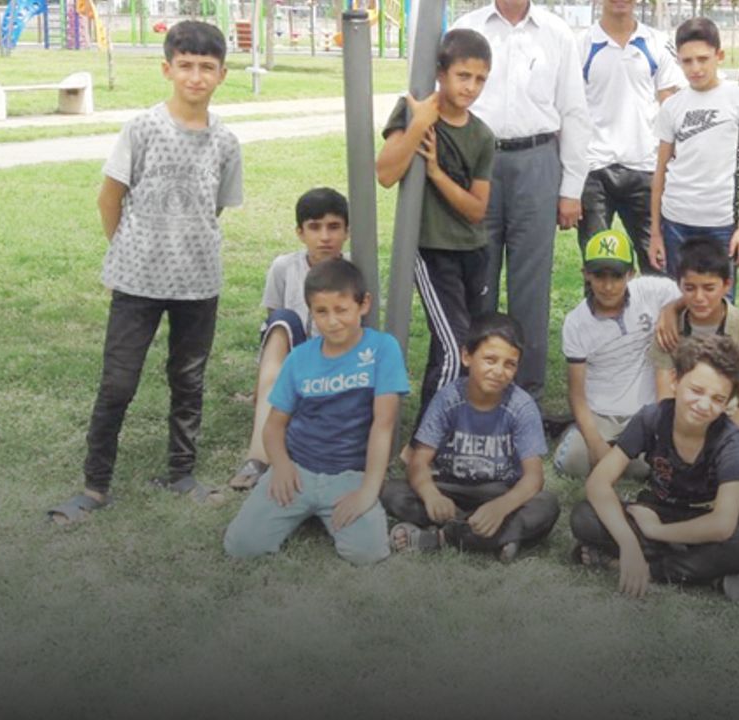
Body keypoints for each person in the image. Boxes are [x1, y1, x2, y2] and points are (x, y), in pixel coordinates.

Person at [49, 21, 243, 524]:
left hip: (198, 283)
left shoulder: (226, 142)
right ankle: (95, 486)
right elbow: (109, 198)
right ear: (167, 69)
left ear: (222, 74)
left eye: (207, 67)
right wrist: (131, 248)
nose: (196, 76)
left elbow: (214, 207)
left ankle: (181, 473)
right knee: (118, 384)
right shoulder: (142, 129)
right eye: (186, 65)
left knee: (189, 379)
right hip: (137, 282)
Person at [223, 259, 408, 562]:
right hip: (299, 469)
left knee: (368, 553)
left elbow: (383, 425)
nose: (332, 321)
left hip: (349, 474)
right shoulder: (299, 358)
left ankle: (321, 511)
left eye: (341, 310)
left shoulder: (383, 349)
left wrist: (368, 491)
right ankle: (302, 508)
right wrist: (281, 466)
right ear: (310, 311)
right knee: (242, 546)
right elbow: (274, 426)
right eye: (321, 311)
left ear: (363, 304)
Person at [452, 0, 590, 402]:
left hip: (536, 159)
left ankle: (526, 394)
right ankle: (474, 392)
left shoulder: (556, 32)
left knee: (531, 286)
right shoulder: (467, 27)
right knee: (477, 279)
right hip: (477, 160)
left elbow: (574, 111)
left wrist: (571, 188)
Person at [570, 334, 739, 601]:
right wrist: (629, 544)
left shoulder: (731, 442)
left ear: (726, 404)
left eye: (717, 399)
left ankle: (645, 568)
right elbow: (598, 482)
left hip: (705, 521)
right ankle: (704, 570)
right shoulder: (652, 418)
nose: (703, 405)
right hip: (659, 510)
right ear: (675, 381)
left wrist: (657, 532)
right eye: (696, 391)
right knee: (584, 517)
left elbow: (722, 524)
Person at [376, 28, 496, 430]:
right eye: (463, 76)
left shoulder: (482, 135)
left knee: (469, 345)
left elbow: (476, 210)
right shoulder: (413, 109)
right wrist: (418, 126)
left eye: (480, 79)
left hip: (473, 251)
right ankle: (425, 442)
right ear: (441, 73)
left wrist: (437, 174)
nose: (471, 87)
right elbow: (385, 174)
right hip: (431, 250)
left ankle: (455, 429)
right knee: (454, 346)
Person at [381, 313, 559, 562]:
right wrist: (431, 495)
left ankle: (441, 537)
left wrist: (501, 507)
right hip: (450, 488)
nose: (498, 371)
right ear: (466, 356)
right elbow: (419, 461)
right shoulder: (448, 399)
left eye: (509, 364)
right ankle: (497, 537)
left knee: (546, 505)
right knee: (392, 492)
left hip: (498, 491)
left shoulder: (521, 406)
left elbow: (534, 477)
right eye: (490, 360)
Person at [228, 187, 349, 491]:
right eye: (314, 227)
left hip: (338, 365)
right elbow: (274, 328)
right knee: (282, 320)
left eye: (334, 227)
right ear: (300, 232)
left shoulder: (355, 270)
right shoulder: (284, 267)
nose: (325, 237)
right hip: (294, 362)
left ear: (347, 232)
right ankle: (258, 456)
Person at [650, 238, 739, 503]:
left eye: (709, 288)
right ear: (679, 286)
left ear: (727, 285)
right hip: (682, 424)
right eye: (690, 288)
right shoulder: (669, 328)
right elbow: (665, 399)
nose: (699, 298)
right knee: (674, 487)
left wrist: (711, 443)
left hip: (732, 425)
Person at [554, 229, 681, 480]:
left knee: (653, 466)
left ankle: (620, 456)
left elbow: (691, 294)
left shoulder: (649, 291)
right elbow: (577, 394)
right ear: (585, 274)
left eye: (617, 276)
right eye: (599, 276)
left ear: (631, 274)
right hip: (600, 413)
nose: (608, 286)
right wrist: (595, 444)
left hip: (643, 412)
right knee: (573, 463)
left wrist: (669, 310)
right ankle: (583, 436)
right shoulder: (576, 322)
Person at [648, 16, 739, 297]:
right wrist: (656, 233)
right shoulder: (672, 106)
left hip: (720, 223)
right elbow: (660, 171)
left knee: (719, 304)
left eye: (703, 59)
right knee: (678, 300)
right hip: (676, 221)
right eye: (687, 61)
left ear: (718, 56)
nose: (696, 68)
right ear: (678, 61)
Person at [576, 0, 682, 278]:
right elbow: (570, 111)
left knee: (656, 266)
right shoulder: (582, 44)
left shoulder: (657, 42)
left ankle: (654, 309)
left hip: (645, 169)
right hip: (594, 171)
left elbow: (670, 105)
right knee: (599, 268)